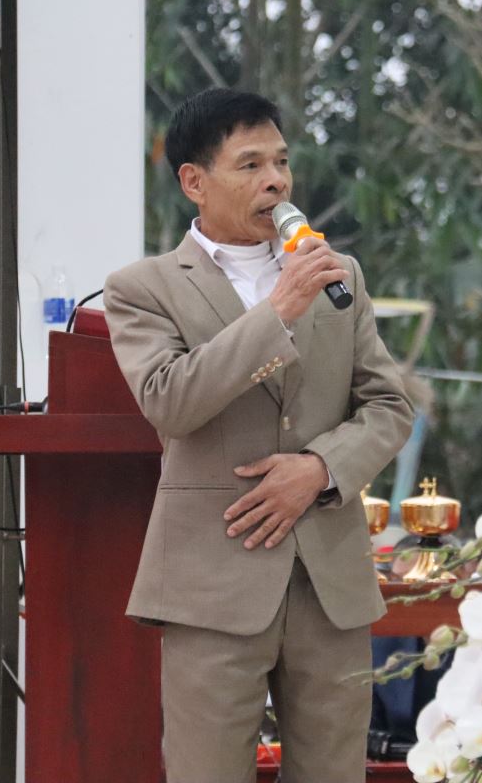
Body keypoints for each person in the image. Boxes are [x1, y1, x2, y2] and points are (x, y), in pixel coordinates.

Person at [104, 88, 414, 783]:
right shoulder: (143, 287)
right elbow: (170, 402)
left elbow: (389, 405)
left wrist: (320, 468)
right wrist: (279, 310)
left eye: (281, 161)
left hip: (329, 583)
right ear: (194, 181)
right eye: (250, 165)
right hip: (212, 585)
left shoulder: (338, 276)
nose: (275, 181)